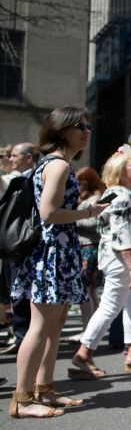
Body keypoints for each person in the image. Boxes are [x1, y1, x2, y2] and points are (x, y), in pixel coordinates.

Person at [9, 106, 107, 418]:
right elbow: (48, 213)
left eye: (88, 126)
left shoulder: (51, 164)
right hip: (52, 251)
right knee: (40, 326)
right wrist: (89, 213)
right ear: (61, 129)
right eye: (79, 126)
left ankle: (44, 389)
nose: (86, 131)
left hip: (58, 251)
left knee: (54, 325)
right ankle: (22, 399)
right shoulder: (58, 166)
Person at [70, 152, 131, 377]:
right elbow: (121, 233)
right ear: (119, 171)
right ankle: (83, 356)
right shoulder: (120, 196)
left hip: (121, 259)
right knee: (110, 306)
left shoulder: (118, 194)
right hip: (122, 260)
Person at [1, 142, 41, 356]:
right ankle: (21, 337)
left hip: (23, 243)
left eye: (14, 155)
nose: (10, 159)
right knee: (16, 291)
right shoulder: (17, 178)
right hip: (16, 242)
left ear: (28, 158)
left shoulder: (30, 179)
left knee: (21, 292)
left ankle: (23, 338)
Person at [69, 167, 106, 342]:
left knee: (86, 290)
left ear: (88, 182)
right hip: (85, 246)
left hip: (89, 246)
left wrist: (71, 218)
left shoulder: (95, 198)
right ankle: (90, 329)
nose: (77, 185)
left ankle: (88, 330)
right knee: (89, 290)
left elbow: (95, 222)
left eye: (80, 182)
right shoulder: (85, 198)